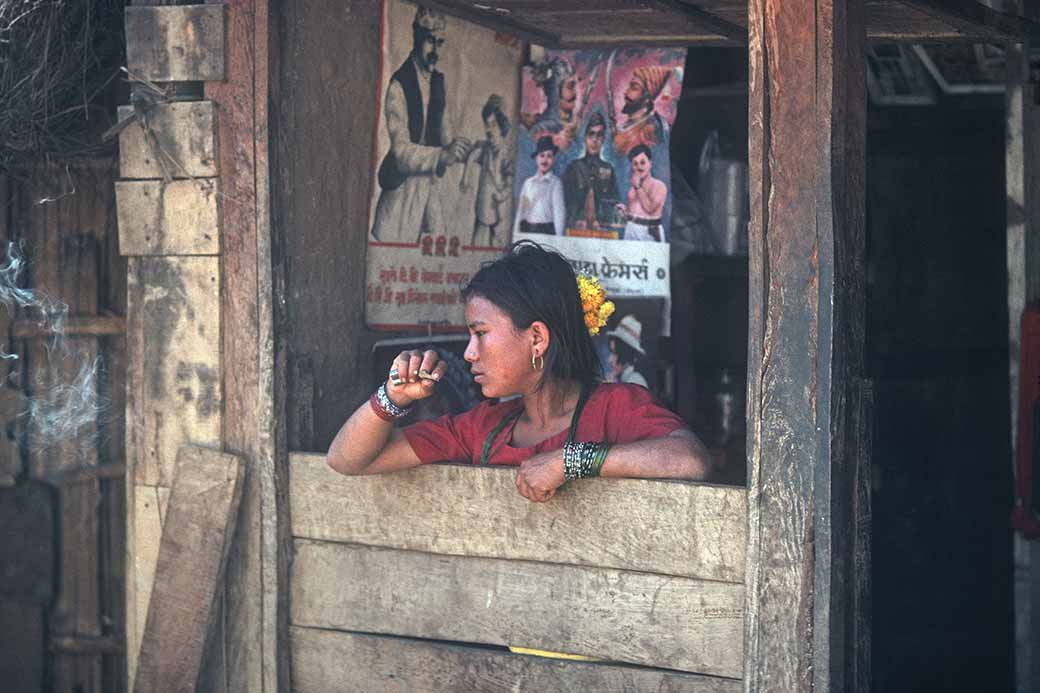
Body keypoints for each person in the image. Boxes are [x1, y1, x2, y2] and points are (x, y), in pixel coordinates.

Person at [327, 242, 711, 501]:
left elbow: (689, 460)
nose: (469, 353)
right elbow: (346, 460)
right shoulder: (480, 428)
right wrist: (391, 399)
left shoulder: (616, 407)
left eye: (480, 333)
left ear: (537, 338)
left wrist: (570, 461)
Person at [370, 7, 471, 243]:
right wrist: (442, 154)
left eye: (440, 42)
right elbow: (401, 152)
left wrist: (459, 149)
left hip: (431, 189)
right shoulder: (399, 85)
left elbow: (445, 134)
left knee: (440, 254)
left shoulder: (438, 81)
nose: (435, 50)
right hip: (402, 193)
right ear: (416, 36)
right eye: (430, 41)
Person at [462, 94, 513, 247]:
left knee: (497, 243)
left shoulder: (506, 154)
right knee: (477, 240)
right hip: (482, 206)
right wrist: (465, 177)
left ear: (502, 125)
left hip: (499, 210)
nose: (488, 129)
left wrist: (502, 195)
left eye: (493, 124)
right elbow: (472, 155)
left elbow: (510, 182)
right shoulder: (485, 148)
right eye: (487, 124)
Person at [562, 112, 620, 231]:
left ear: (603, 139)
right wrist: (576, 219)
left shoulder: (609, 170)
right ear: (585, 138)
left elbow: (614, 202)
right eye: (591, 134)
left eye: (599, 135)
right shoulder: (574, 167)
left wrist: (603, 222)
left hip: (601, 231)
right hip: (576, 229)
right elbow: (565, 199)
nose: (595, 140)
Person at [613, 65, 673, 156]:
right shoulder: (628, 125)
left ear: (647, 97)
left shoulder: (651, 129)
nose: (626, 92)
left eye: (634, 88)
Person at [513, 136, 565, 236]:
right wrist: (516, 234)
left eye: (549, 156)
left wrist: (559, 240)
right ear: (536, 158)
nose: (545, 160)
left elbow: (559, 214)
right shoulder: (528, 183)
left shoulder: (555, 183)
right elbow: (521, 211)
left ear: (553, 159)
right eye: (542, 155)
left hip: (546, 232)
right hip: (527, 230)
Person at [615, 144, 668, 242]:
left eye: (642, 162)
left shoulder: (659, 186)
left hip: (650, 231)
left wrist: (638, 187)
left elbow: (650, 209)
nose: (639, 167)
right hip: (631, 229)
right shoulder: (632, 188)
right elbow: (636, 212)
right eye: (635, 164)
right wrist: (624, 212)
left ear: (650, 163)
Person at [606, 314, 649, 388]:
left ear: (626, 354)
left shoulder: (635, 381)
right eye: (611, 352)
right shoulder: (622, 380)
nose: (609, 360)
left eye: (615, 353)